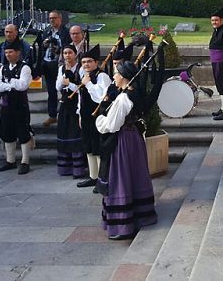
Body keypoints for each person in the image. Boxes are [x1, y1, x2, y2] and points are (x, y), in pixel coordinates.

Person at [96, 60, 157, 240]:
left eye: (115, 73)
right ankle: (140, 215)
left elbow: (111, 125)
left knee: (120, 177)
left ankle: (123, 224)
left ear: (123, 76)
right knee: (134, 174)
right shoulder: (133, 93)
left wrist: (99, 120)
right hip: (134, 139)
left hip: (122, 140)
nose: (114, 77)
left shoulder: (123, 98)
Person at [0, 39, 33, 174]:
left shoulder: (24, 68)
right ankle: (10, 161)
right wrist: (10, 85)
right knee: (7, 132)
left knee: (23, 133)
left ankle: (25, 162)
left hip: (20, 105)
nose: (8, 55)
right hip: (6, 105)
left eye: (10, 52)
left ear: (18, 53)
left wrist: (7, 82)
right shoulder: (3, 68)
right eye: (6, 52)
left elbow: (23, 85)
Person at [74, 45, 110, 192]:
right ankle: (93, 176)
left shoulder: (102, 77)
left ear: (96, 62)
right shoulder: (84, 76)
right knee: (88, 146)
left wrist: (88, 84)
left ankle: (102, 179)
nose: (86, 64)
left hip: (98, 116)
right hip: (86, 116)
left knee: (97, 147)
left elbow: (101, 98)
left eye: (89, 61)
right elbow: (80, 97)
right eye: (83, 62)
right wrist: (79, 114)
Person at [55, 45, 88, 179]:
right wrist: (64, 81)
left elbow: (82, 88)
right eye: (65, 53)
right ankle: (66, 168)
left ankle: (78, 169)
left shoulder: (80, 69)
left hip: (76, 105)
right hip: (65, 105)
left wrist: (70, 84)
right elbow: (58, 86)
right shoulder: (61, 68)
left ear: (75, 54)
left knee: (76, 134)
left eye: (69, 53)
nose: (67, 56)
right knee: (64, 133)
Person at [37, 10, 71, 127]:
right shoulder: (46, 31)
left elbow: (68, 47)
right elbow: (41, 47)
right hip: (47, 63)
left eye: (54, 18)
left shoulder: (66, 32)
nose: (52, 20)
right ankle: (52, 116)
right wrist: (45, 45)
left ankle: (65, 115)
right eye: (50, 18)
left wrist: (58, 48)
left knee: (64, 90)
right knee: (51, 91)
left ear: (60, 18)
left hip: (60, 64)